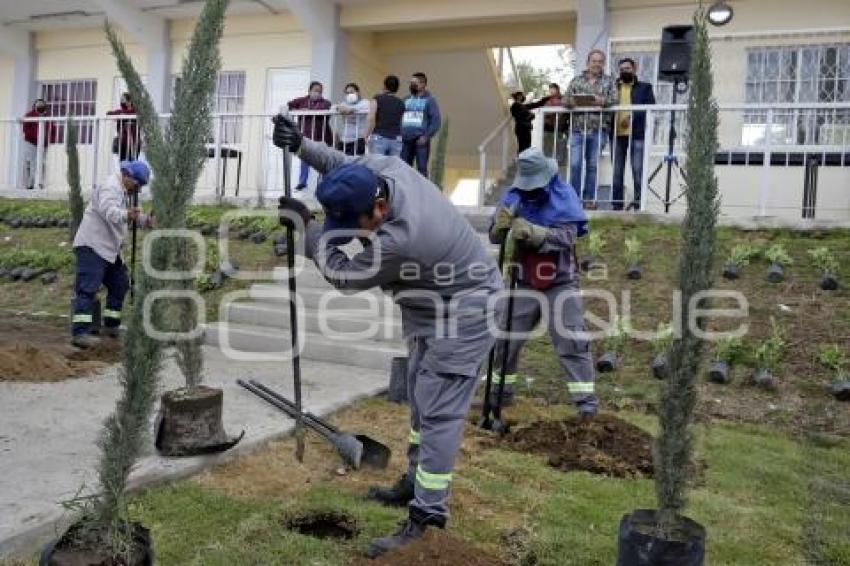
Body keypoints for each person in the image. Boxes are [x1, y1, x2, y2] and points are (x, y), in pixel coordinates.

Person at [272, 115, 502, 559]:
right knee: (421, 397)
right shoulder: (385, 170)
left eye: (354, 228)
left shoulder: (402, 237)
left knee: (438, 416)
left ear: (378, 210)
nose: (355, 236)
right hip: (433, 306)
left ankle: (427, 518)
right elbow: (342, 164)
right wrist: (302, 145)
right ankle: (414, 484)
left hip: (465, 313)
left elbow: (340, 273)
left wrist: (309, 232)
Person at [488, 147, 597, 418]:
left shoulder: (564, 195)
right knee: (504, 339)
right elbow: (495, 237)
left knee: (571, 341)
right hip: (522, 281)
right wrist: (498, 229)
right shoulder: (513, 195)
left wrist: (535, 233)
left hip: (559, 281)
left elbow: (567, 237)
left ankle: (586, 407)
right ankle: (498, 397)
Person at [71, 161, 152, 349]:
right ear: (129, 177)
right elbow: (112, 213)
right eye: (138, 185)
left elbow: (128, 214)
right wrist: (128, 215)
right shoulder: (110, 187)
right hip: (92, 246)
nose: (138, 190)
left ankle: (111, 328)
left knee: (120, 284)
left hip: (109, 249)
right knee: (88, 288)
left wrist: (145, 219)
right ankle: (80, 333)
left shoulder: (124, 191)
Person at [565, 49, 617, 207]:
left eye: (600, 62)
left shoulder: (609, 81)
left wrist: (602, 101)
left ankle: (588, 200)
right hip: (577, 129)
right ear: (588, 63)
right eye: (594, 61)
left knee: (592, 166)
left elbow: (615, 98)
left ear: (603, 64)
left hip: (598, 129)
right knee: (574, 165)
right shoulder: (576, 80)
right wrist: (571, 102)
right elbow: (565, 98)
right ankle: (574, 199)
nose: (597, 64)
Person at [611, 57, 656, 211]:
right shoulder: (613, 87)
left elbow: (651, 108)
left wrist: (632, 116)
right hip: (617, 136)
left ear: (634, 68)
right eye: (622, 69)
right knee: (617, 174)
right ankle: (616, 207)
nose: (625, 71)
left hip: (637, 135)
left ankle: (638, 206)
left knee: (638, 172)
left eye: (627, 68)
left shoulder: (645, 87)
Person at [287, 81, 333, 191]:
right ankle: (302, 182)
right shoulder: (302, 101)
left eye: (319, 91)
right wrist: (299, 110)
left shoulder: (325, 102)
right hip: (305, 136)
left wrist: (307, 111)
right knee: (304, 159)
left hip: (320, 137)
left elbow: (324, 109)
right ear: (310, 90)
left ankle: (324, 183)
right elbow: (290, 105)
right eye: (315, 90)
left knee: (322, 161)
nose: (317, 93)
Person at [401, 72, 441, 177]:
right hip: (405, 140)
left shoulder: (430, 100)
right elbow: (399, 116)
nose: (411, 85)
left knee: (422, 170)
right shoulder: (405, 99)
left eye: (414, 83)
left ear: (423, 84)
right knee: (404, 168)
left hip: (421, 141)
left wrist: (426, 136)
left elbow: (436, 121)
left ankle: (422, 193)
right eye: (410, 83)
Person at [21, 98, 56, 190]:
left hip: (43, 144)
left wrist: (49, 140)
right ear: (35, 106)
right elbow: (25, 129)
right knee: (31, 163)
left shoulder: (48, 117)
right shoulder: (29, 115)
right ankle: (30, 184)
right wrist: (36, 138)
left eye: (42, 104)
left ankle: (40, 183)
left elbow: (53, 130)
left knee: (42, 163)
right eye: (38, 104)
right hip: (31, 142)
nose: (40, 106)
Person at [367, 75, 405, 157]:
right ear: (397, 88)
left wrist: (366, 134)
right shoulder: (401, 103)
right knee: (393, 168)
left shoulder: (377, 98)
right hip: (396, 139)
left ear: (384, 85)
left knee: (377, 167)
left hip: (379, 136)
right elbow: (402, 122)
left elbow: (371, 118)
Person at [332, 82, 370, 156]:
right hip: (345, 139)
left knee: (354, 162)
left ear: (358, 92)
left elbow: (364, 108)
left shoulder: (365, 102)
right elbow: (333, 107)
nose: (349, 95)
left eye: (352, 92)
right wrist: (338, 107)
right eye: (347, 93)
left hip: (359, 139)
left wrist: (350, 110)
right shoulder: (344, 104)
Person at [107, 92, 142, 162]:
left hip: (134, 141)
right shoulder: (120, 112)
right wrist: (119, 115)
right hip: (123, 142)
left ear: (130, 101)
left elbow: (134, 114)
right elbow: (108, 114)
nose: (122, 101)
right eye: (121, 100)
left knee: (133, 162)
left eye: (123, 99)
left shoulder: (135, 111)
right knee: (123, 164)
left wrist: (122, 114)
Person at [542, 83, 568, 164]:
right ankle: (547, 160)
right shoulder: (546, 100)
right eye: (550, 89)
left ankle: (561, 160)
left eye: (553, 89)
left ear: (557, 89)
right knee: (547, 144)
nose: (551, 91)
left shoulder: (563, 99)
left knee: (561, 143)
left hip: (561, 127)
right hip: (548, 127)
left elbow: (566, 113)